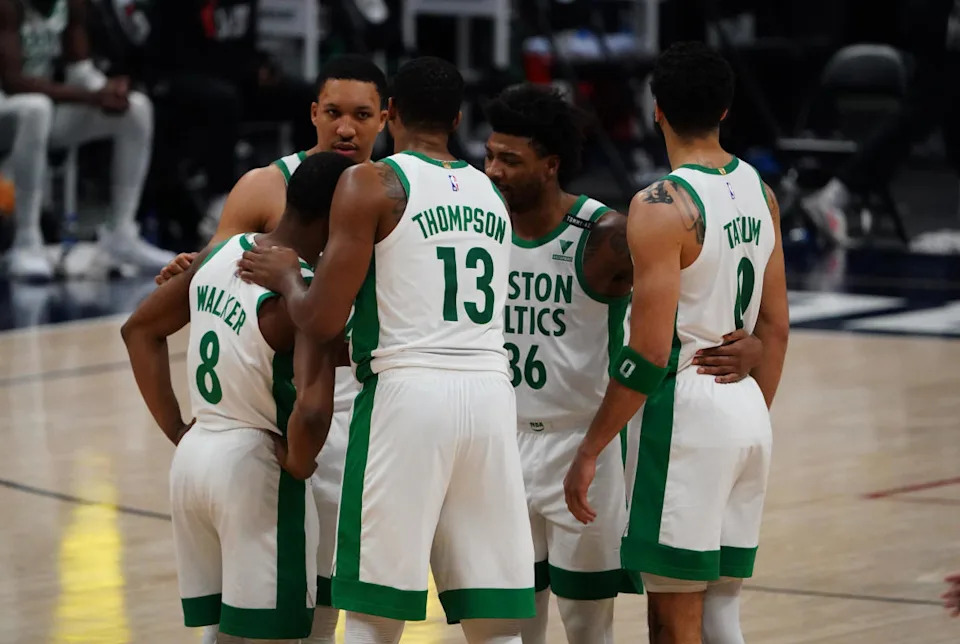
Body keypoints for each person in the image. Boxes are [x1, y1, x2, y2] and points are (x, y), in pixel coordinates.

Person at [237, 56, 535, 644]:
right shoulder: (488, 191)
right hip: (492, 397)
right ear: (456, 118)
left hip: (409, 396)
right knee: (492, 611)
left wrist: (287, 278)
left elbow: (321, 318)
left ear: (391, 112)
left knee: (376, 604)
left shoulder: (370, 182)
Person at [483, 83, 764, 644]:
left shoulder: (605, 234)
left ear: (551, 165)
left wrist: (751, 343)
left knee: (588, 624)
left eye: (510, 160)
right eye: (488, 156)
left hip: (584, 444)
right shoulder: (479, 227)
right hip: (499, 440)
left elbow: (700, 290)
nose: (493, 170)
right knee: (507, 622)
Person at [154, 53, 388, 644]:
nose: (345, 128)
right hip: (271, 419)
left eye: (362, 115)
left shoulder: (394, 194)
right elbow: (213, 272)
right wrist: (188, 264)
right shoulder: (265, 185)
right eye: (333, 112)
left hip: (354, 415)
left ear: (384, 120)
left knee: (326, 595)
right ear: (313, 112)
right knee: (253, 598)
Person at [563, 42, 790, 644]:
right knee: (720, 611)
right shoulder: (761, 192)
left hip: (687, 412)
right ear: (725, 110)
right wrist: (748, 412)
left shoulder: (661, 206)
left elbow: (649, 352)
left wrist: (591, 447)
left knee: (673, 619)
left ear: (655, 110)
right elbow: (775, 327)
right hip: (743, 407)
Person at [121, 151, 354, 643]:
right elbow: (312, 411)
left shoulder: (222, 252)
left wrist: (180, 432)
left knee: (229, 633)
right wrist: (299, 463)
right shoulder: (303, 297)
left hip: (195, 461)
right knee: (287, 635)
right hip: (255, 473)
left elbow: (139, 330)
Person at [0, 0, 173, 281]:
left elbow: (80, 69)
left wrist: (105, 89)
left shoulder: (71, 4)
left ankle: (121, 234)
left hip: (42, 111)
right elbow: (12, 82)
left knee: (136, 108)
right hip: (8, 107)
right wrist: (91, 97)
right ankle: (26, 240)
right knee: (34, 107)